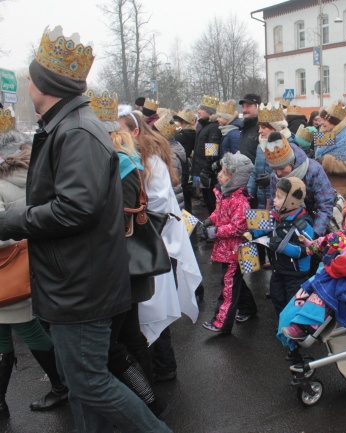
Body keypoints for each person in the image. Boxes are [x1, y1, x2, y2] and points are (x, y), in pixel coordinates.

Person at [0, 26, 172, 432]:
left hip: (80, 284)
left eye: (31, 75)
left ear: (43, 83)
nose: (27, 82)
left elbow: (74, 209)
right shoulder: (66, 125)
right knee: (81, 386)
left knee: (91, 383)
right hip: (74, 279)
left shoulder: (76, 130)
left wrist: (9, 219)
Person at [87, 90, 169, 418]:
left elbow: (119, 219)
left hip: (121, 263)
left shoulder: (121, 165)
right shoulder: (123, 162)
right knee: (128, 335)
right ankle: (148, 402)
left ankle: (147, 403)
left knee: (114, 344)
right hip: (124, 264)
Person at [119, 108, 202, 382]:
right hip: (157, 234)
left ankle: (162, 368)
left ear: (134, 131)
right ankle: (159, 366)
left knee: (152, 302)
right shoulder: (142, 154)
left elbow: (155, 199)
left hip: (157, 236)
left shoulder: (149, 157)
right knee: (150, 302)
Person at [0, 121, 68, 418]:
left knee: (27, 328)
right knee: (6, 332)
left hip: (9, 272)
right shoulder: (35, 176)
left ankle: (62, 385)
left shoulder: (2, 184)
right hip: (31, 264)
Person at [278, 180, 346, 344]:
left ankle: (307, 325)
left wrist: (344, 247)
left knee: (320, 295)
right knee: (308, 290)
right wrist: (312, 244)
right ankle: (295, 319)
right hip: (332, 271)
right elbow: (326, 239)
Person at [202, 152, 257, 335]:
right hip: (227, 249)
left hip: (235, 251)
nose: (220, 174)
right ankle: (248, 308)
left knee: (228, 287)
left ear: (235, 179)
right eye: (222, 171)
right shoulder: (225, 194)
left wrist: (215, 231)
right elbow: (220, 213)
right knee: (234, 282)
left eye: (225, 173)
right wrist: (210, 221)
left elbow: (238, 227)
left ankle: (221, 323)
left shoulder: (240, 202)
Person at [245, 176, 314, 316]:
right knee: (277, 298)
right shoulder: (277, 216)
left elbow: (306, 250)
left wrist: (280, 245)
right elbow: (264, 227)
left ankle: (295, 331)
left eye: (279, 197)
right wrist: (252, 234)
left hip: (296, 274)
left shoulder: (303, 224)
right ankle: (282, 325)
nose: (274, 200)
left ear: (291, 200)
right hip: (278, 270)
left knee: (294, 303)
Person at [266, 132, 336, 239]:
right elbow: (274, 205)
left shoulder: (314, 170)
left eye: (282, 168)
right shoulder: (274, 176)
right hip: (288, 226)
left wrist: (314, 234)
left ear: (291, 162)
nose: (278, 173)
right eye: (274, 169)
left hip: (314, 223)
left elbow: (325, 205)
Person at [315, 100, 346, 197]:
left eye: (325, 120)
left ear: (334, 122)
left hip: (341, 192)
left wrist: (326, 162)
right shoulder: (326, 134)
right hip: (325, 188)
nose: (322, 123)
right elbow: (319, 155)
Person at [192, 95, 222, 215]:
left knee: (211, 201)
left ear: (209, 112)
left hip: (207, 173)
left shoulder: (213, 128)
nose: (198, 111)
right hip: (201, 171)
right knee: (207, 200)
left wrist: (206, 171)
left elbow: (212, 152)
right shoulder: (205, 126)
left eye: (202, 109)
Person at [154, 113, 187, 210]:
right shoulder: (167, 150)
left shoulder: (170, 156)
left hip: (171, 205)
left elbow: (175, 186)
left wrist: (175, 209)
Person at [173, 109, 197, 213]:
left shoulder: (181, 136)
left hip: (181, 168)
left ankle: (187, 226)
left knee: (183, 198)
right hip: (187, 167)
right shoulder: (194, 133)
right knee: (186, 197)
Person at [238, 93, 262, 163]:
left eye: (248, 106)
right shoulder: (244, 128)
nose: (244, 110)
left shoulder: (263, 128)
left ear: (258, 107)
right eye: (243, 107)